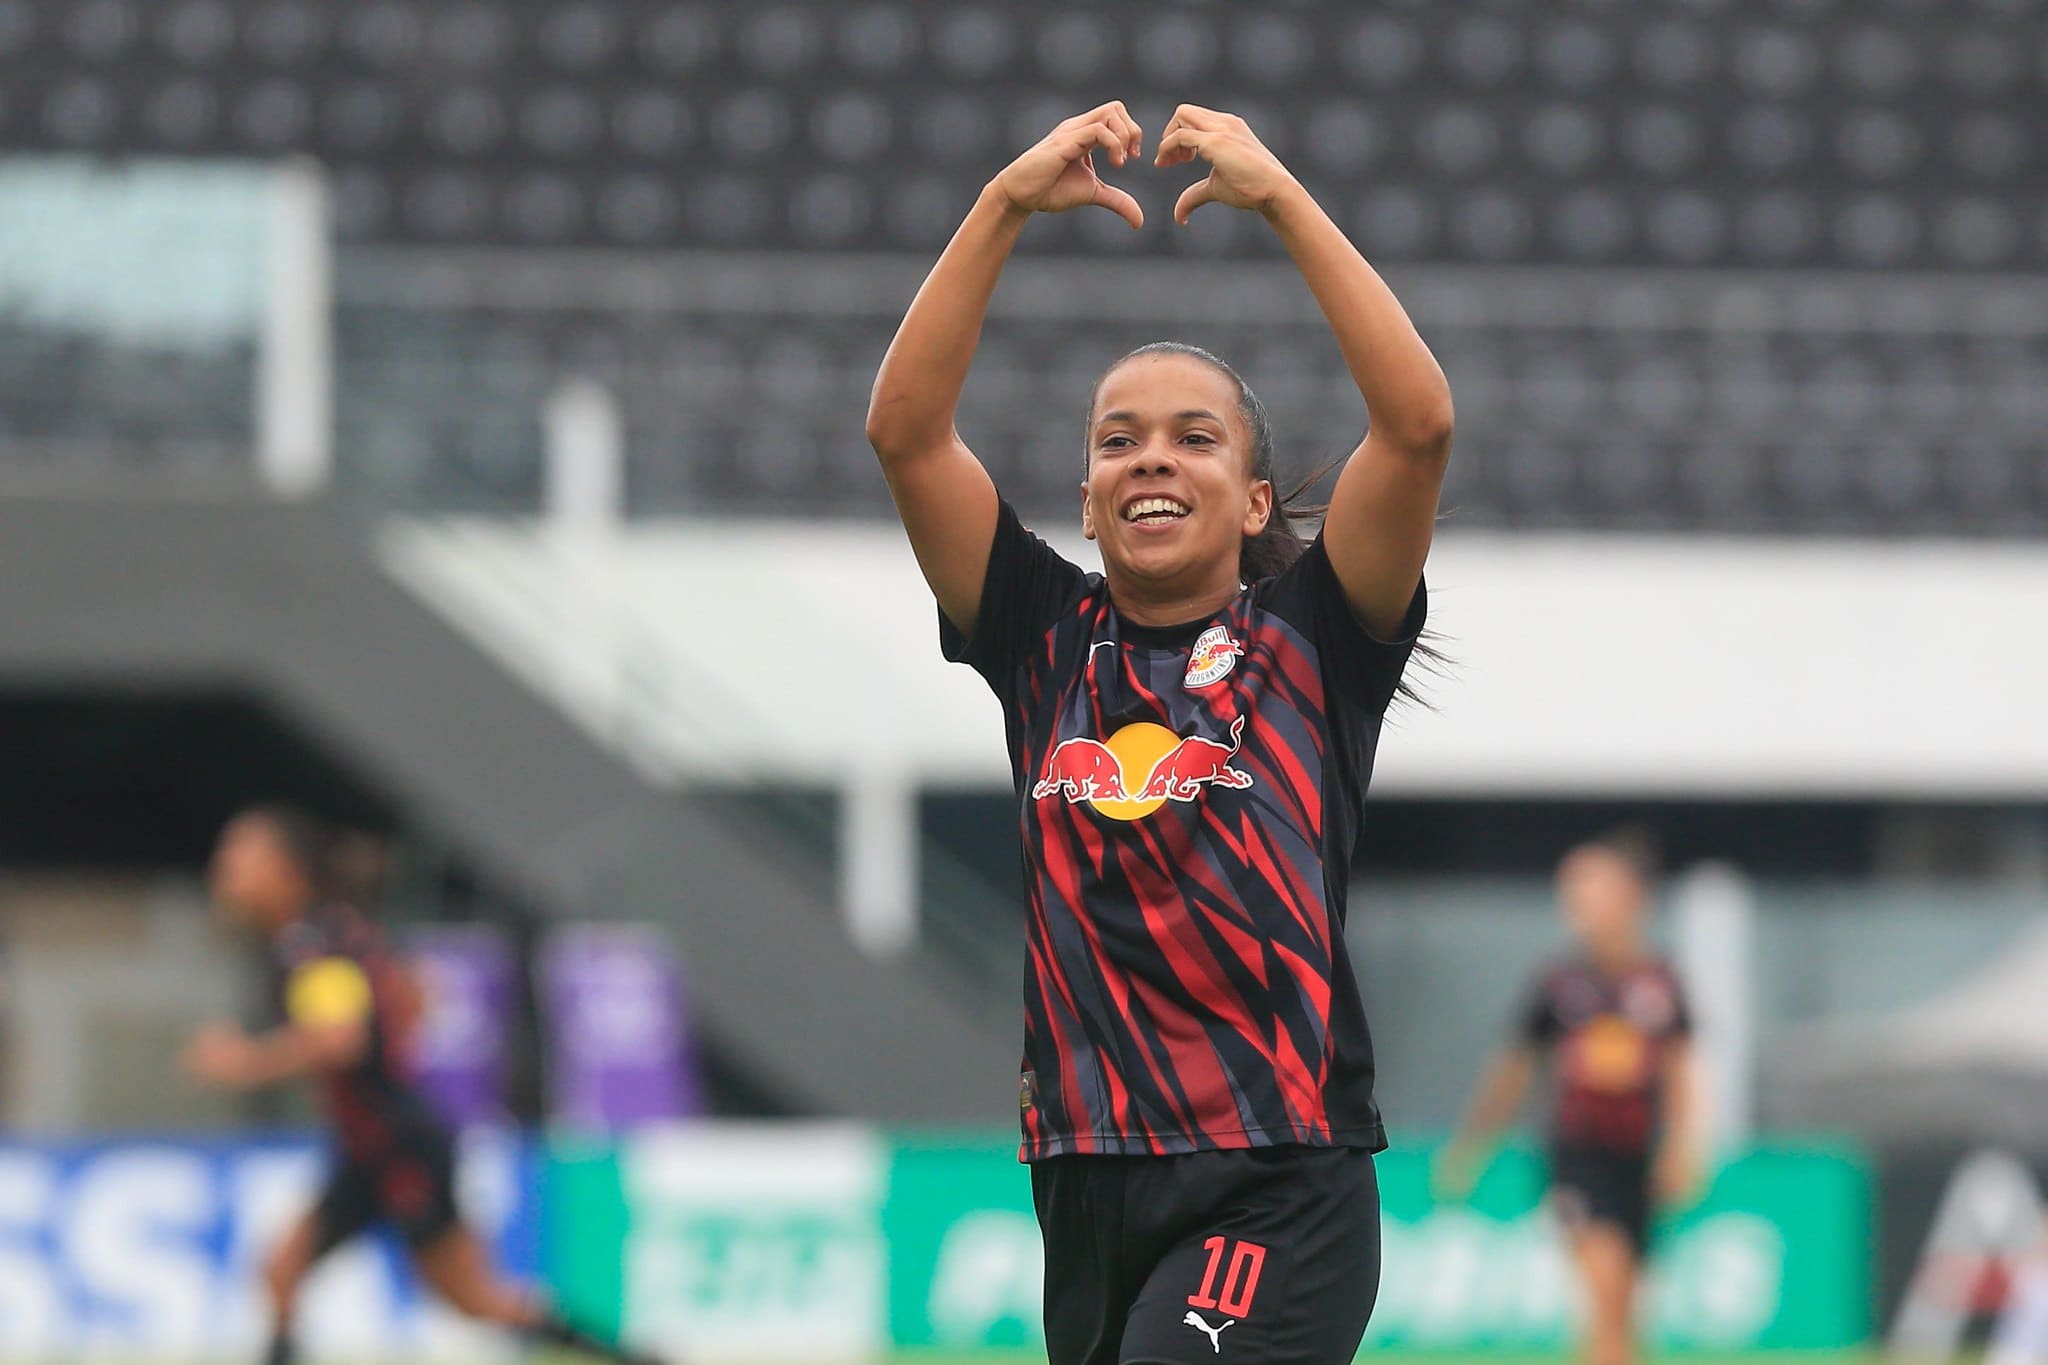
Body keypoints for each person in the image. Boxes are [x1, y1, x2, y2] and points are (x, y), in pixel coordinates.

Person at [868, 102, 1452, 1365]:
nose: (1151, 460)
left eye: (1194, 440)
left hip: (1273, 1173)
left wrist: (1282, 198)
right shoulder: (1036, 633)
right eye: (1115, 441)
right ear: (1082, 497)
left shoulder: (1313, 637)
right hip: (1083, 1169)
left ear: (1251, 502)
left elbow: (1415, 426)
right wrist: (1001, 206)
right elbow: (905, 433)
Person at [181, 806, 658, 1365]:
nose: (225, 867)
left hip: (398, 1144)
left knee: (475, 1301)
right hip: (375, 1145)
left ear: (286, 868)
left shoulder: (311, 943)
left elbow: (340, 1038)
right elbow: (411, 997)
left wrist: (246, 1061)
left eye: (240, 854)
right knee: (282, 1270)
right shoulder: (334, 931)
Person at [1437, 834, 1705, 1365]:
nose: (1579, 903)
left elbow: (1680, 1070)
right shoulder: (1560, 984)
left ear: (1632, 896)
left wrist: (1681, 1148)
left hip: (1639, 1158)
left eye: (1592, 888)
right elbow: (1514, 1071)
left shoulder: (1660, 982)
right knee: (1604, 1286)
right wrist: (1471, 1147)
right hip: (1578, 1157)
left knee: (1623, 1308)